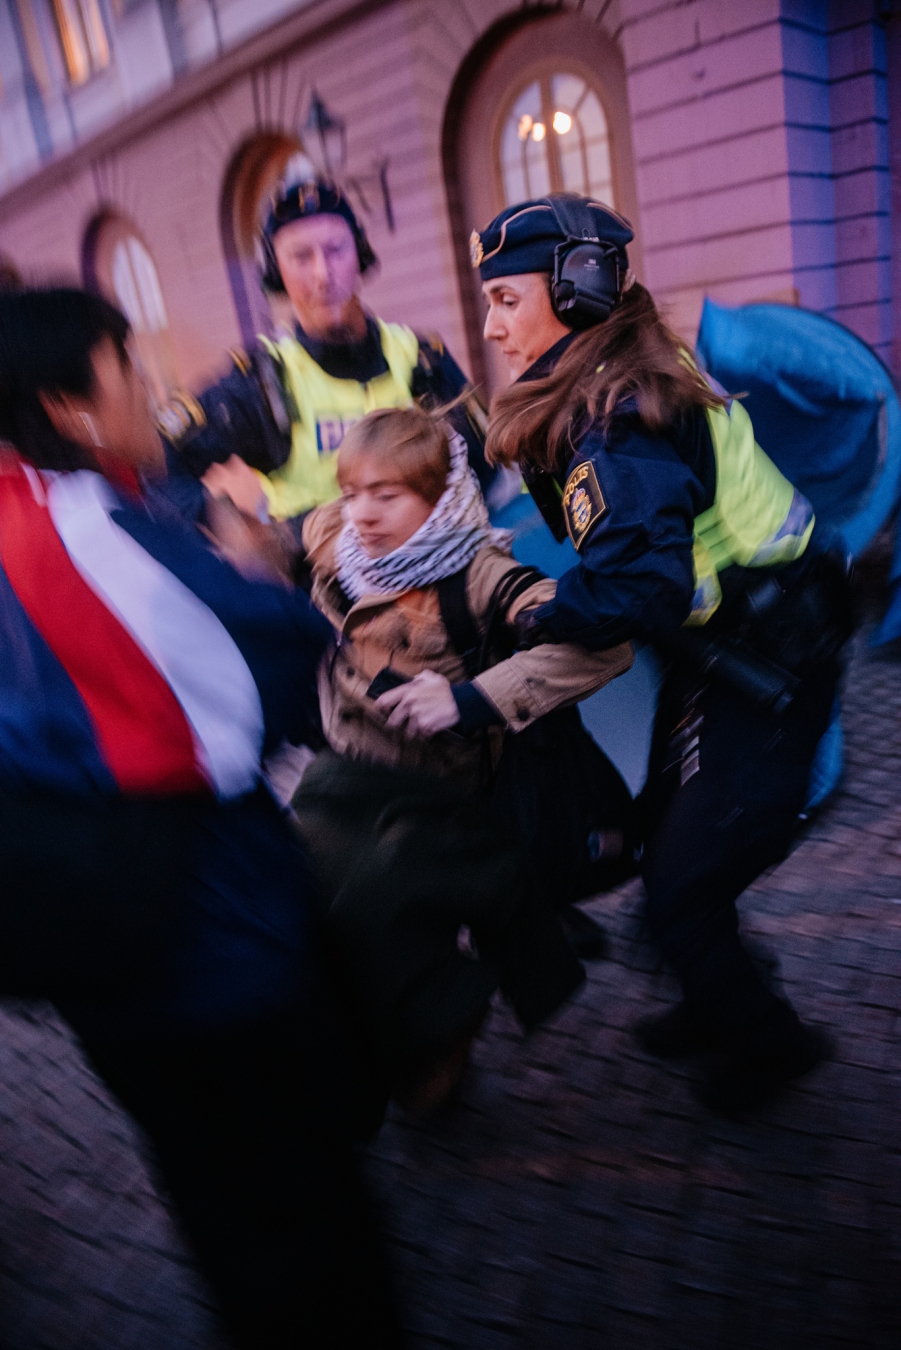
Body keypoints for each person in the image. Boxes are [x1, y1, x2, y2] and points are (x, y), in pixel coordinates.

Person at [0, 286, 403, 1349]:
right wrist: (256, 568)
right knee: (297, 1214)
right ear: (70, 405)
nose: (152, 383)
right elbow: (249, 692)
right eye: (126, 364)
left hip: (96, 962)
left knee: (215, 1196)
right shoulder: (70, 529)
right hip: (210, 950)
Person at [474, 193, 852, 1113]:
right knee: (666, 839)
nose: (490, 328)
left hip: (769, 659)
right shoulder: (620, 359)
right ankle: (707, 992)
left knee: (684, 881)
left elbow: (635, 589)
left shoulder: (615, 417)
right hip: (731, 640)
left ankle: (769, 1043)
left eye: (508, 302)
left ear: (575, 291)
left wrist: (530, 612)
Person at [290, 404, 634, 1107]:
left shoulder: (482, 575)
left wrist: (470, 699)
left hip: (438, 807)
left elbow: (602, 644)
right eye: (354, 491)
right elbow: (310, 524)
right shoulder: (340, 539)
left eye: (388, 495)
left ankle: (448, 1038)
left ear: (439, 494)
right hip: (347, 787)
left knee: (410, 935)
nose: (363, 513)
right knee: (333, 925)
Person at [163, 158, 508, 531]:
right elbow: (158, 459)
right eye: (300, 257)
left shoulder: (421, 358)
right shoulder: (260, 382)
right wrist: (236, 530)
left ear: (358, 254)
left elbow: (489, 471)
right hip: (323, 586)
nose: (322, 275)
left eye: (335, 250)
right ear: (276, 271)